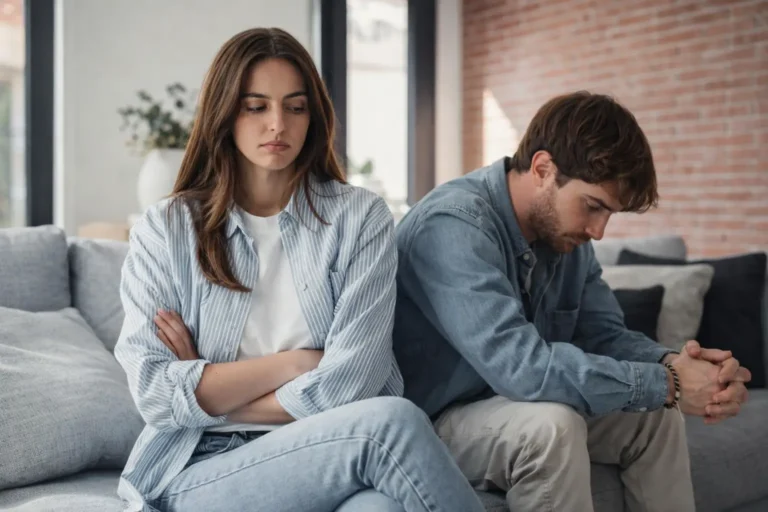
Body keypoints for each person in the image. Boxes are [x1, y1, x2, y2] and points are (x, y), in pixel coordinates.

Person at [113, 27, 485, 512]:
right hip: (199, 469)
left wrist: (213, 393)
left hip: (325, 448)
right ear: (225, 111)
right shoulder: (166, 230)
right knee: (392, 423)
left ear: (314, 115)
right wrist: (296, 363)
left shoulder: (359, 218)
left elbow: (351, 382)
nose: (278, 125)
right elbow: (156, 395)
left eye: (295, 106)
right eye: (256, 106)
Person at [392, 91, 752, 512]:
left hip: (509, 404)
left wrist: (678, 367)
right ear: (544, 168)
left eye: (609, 214)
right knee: (553, 427)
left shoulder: (566, 240)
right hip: (432, 420)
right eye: (593, 206)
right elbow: (522, 369)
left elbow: (604, 335)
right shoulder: (454, 226)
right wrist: (667, 385)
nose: (599, 231)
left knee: (654, 417)